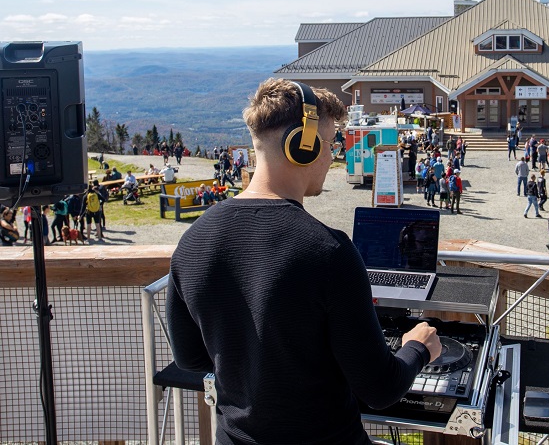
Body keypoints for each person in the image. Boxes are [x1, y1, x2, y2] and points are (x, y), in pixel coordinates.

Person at [167, 78, 440, 444]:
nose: (332, 156)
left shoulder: (191, 242)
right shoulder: (328, 251)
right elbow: (381, 388)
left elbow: (191, 359)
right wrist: (418, 346)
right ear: (304, 147)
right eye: (330, 144)